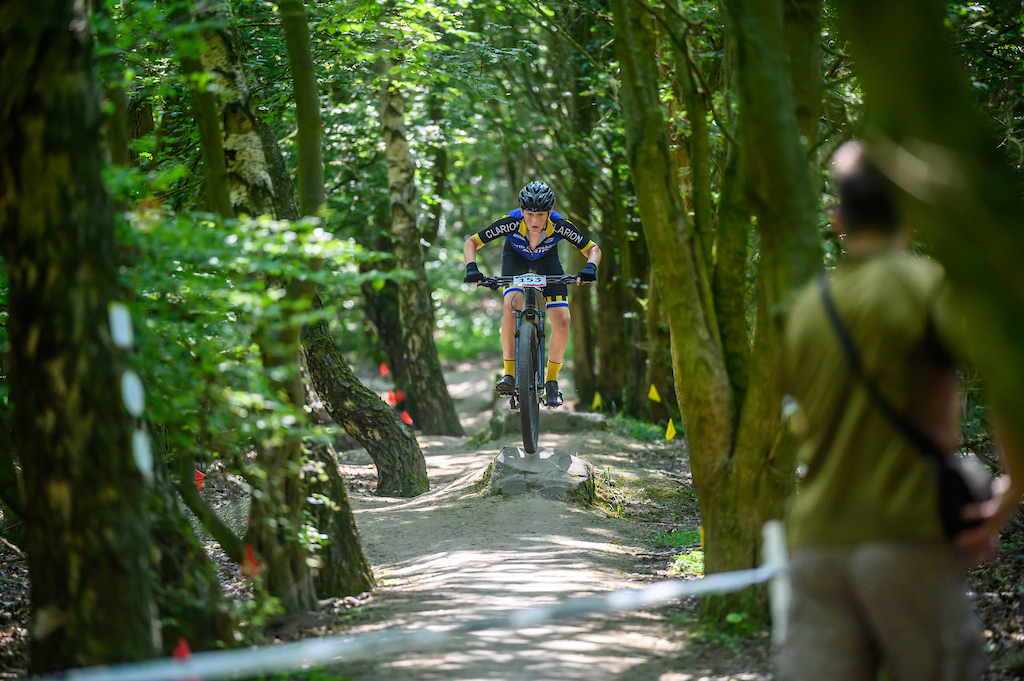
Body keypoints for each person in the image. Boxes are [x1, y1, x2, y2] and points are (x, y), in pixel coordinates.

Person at [777, 140, 1023, 681]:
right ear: (909, 215)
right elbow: (1008, 377)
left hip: (817, 545)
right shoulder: (926, 286)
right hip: (906, 538)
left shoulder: (804, 308)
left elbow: (799, 420)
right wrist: (1013, 486)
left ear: (837, 218)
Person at [463, 181, 601, 407]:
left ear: (549, 212)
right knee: (511, 305)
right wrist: (471, 267)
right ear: (521, 211)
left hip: (547, 262)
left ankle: (552, 382)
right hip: (515, 259)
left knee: (563, 320)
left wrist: (590, 267)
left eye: (540, 214)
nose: (535, 221)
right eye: (529, 214)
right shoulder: (510, 222)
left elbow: (593, 249)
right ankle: (509, 373)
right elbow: (472, 242)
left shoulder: (558, 224)